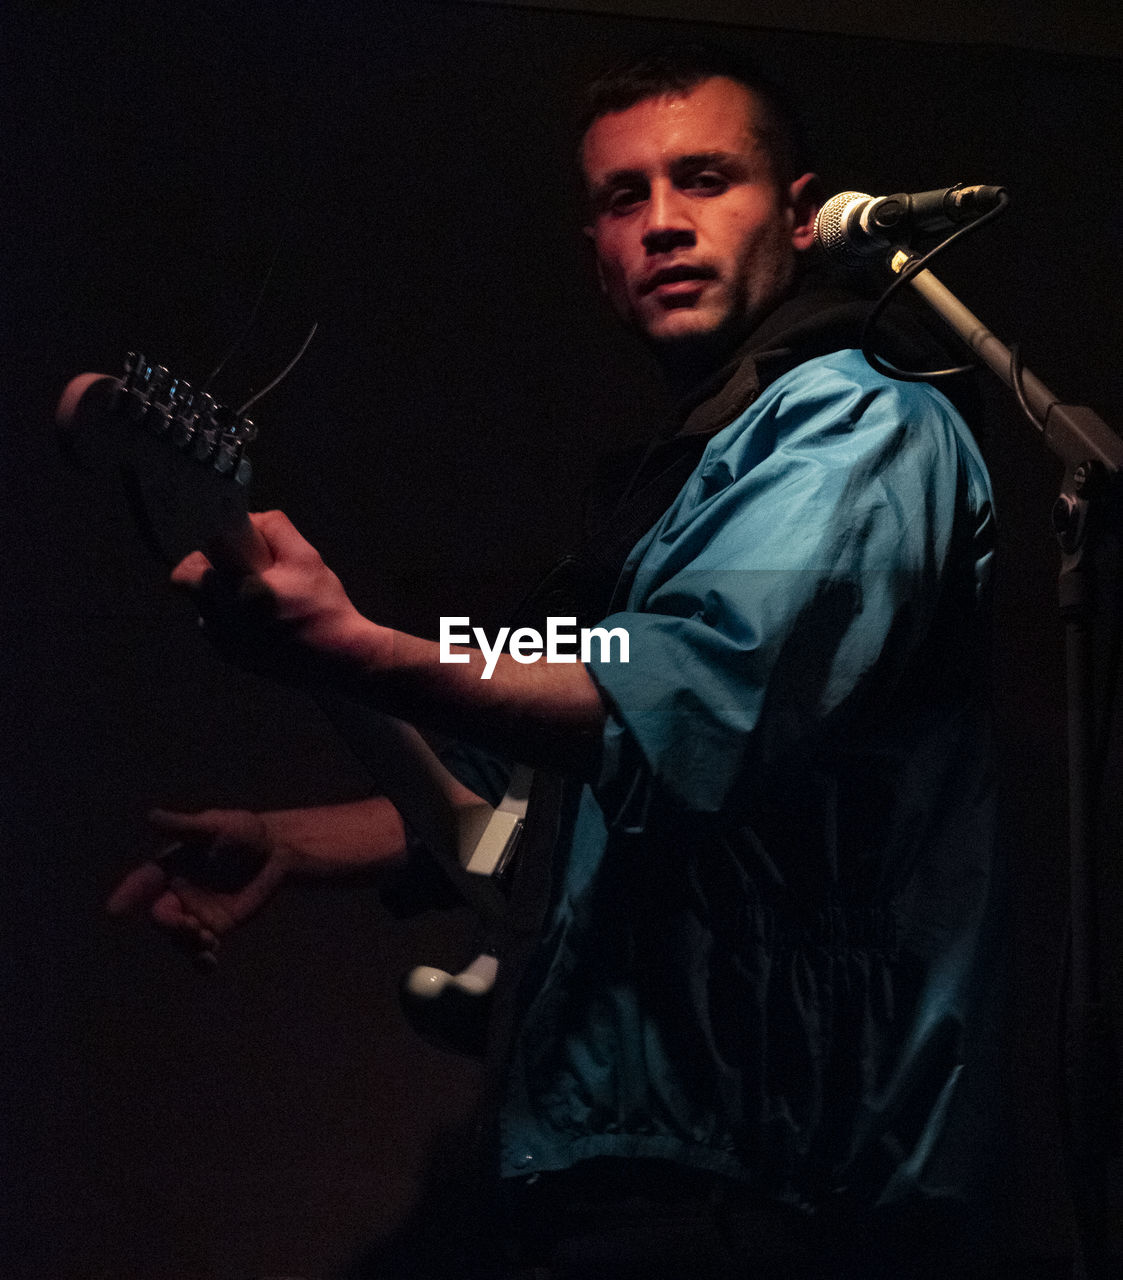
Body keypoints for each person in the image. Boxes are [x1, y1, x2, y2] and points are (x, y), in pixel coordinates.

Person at [110, 48, 999, 1278]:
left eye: (703, 179)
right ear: (594, 250)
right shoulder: (686, 480)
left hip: (777, 1189)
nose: (663, 223)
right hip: (645, 1171)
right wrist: (292, 838)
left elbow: (689, 693)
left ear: (799, 215)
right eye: (623, 198)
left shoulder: (856, 426)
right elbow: (541, 762)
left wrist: (362, 647)